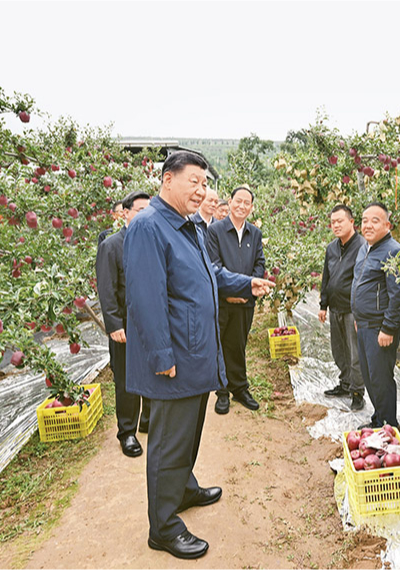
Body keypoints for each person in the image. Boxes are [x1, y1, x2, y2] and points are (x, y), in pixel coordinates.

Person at [124, 151, 273, 560]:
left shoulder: (187, 227)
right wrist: (160, 355)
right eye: (194, 181)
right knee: (168, 443)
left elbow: (212, 274)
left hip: (194, 353)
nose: (202, 190)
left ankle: (184, 488)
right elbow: (145, 299)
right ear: (167, 180)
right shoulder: (149, 227)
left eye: (205, 183)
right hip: (173, 359)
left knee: (188, 433)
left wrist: (247, 282)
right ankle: (164, 527)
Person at [96, 190, 152, 457]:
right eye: (140, 210)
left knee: (153, 371)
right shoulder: (111, 245)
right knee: (127, 380)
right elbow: (106, 290)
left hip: (150, 322)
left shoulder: (152, 241)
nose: (146, 215)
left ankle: (147, 419)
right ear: (126, 213)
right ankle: (127, 432)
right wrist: (114, 324)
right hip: (125, 326)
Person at [351, 202, 400, 429]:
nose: (368, 225)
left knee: (381, 379)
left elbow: (399, 296)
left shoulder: (395, 253)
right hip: (364, 324)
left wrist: (388, 327)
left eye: (375, 221)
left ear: (387, 225)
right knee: (369, 377)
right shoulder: (364, 248)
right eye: (365, 220)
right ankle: (379, 420)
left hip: (379, 328)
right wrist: (358, 317)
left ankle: (388, 426)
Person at [206, 185, 265, 415]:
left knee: (239, 345)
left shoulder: (255, 233)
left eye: (246, 203)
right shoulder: (216, 231)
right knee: (220, 345)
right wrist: (231, 291)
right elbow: (214, 266)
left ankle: (239, 388)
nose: (241, 206)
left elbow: (259, 263)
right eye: (237, 201)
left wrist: (250, 288)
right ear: (229, 202)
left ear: (251, 207)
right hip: (222, 301)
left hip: (245, 302)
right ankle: (222, 392)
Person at [319, 204, 366, 410]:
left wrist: (360, 312)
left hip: (352, 310)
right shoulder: (332, 248)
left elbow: (364, 281)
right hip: (335, 308)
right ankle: (345, 384)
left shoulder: (362, 247)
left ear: (352, 222)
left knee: (355, 354)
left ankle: (358, 392)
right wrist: (323, 304)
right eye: (333, 222)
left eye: (340, 221)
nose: (336, 225)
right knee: (339, 351)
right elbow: (326, 277)